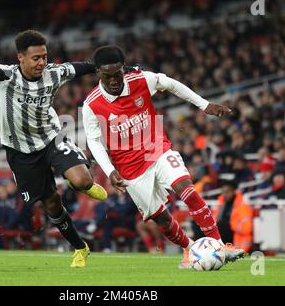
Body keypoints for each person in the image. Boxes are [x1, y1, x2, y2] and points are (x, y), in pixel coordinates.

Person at [82, 45, 245, 269]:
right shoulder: (91, 104)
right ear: (98, 73)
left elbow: (170, 84)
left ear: (123, 68)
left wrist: (204, 105)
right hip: (129, 168)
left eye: (117, 74)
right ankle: (190, 250)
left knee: (187, 190)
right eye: (107, 76)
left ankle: (219, 244)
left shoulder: (141, 80)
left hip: (156, 149)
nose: (113, 81)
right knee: (162, 218)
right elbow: (93, 140)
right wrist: (109, 170)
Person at [0, 29, 108, 267]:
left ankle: (85, 185)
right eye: (36, 58)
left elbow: (83, 67)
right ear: (21, 58)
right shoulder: (4, 76)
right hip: (19, 151)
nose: (42, 63)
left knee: (81, 180)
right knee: (51, 203)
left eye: (44, 57)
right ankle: (80, 247)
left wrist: (112, 67)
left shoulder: (53, 74)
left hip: (51, 138)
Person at [212, 174, 253, 253]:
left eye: (227, 192)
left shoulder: (242, 205)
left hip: (236, 239)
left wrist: (231, 224)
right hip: (222, 235)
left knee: (222, 226)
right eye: (223, 192)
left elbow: (247, 228)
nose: (225, 194)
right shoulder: (220, 204)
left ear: (233, 191)